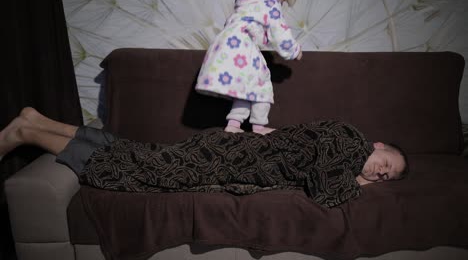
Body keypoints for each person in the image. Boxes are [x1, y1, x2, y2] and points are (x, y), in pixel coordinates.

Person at [0, 107, 408, 208]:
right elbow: (324, 191)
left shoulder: (343, 146)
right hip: (227, 157)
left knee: (142, 156)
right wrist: (357, 184)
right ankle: (28, 133)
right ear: (379, 145)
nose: (382, 174)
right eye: (387, 165)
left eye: (387, 177)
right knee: (139, 171)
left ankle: (38, 122)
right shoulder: (348, 141)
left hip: (228, 156)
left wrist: (357, 179)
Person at [195, 0, 302, 135]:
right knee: (261, 84)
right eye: (283, 1)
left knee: (245, 86)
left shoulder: (245, 1)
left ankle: (233, 124)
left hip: (225, 44)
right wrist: (294, 50)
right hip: (242, 45)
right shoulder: (270, 1)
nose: (280, 4)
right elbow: (279, 31)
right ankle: (259, 126)